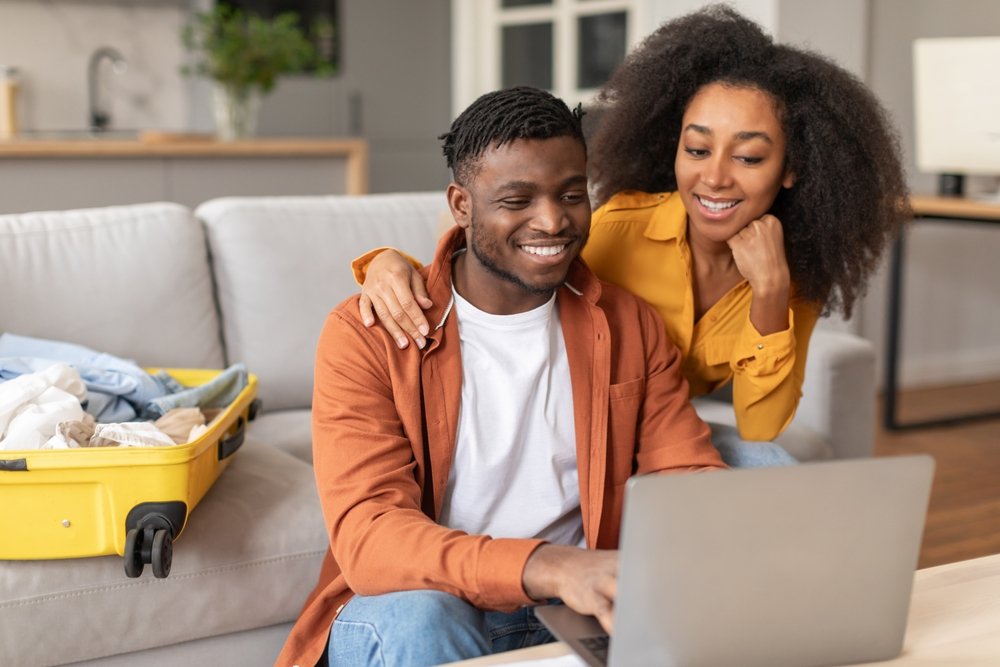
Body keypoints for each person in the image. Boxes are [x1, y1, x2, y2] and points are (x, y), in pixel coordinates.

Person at [277, 86, 725, 667]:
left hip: (573, 610)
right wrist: (550, 565)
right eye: (517, 200)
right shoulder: (367, 333)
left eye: (571, 194)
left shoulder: (627, 323)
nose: (553, 220)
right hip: (429, 603)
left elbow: (683, 469)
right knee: (425, 617)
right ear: (461, 205)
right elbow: (371, 536)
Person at [352, 5, 910, 466]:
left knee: (774, 467)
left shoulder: (791, 275)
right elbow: (499, 260)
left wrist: (769, 293)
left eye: (748, 156)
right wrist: (388, 262)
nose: (714, 176)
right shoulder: (618, 229)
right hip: (579, 424)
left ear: (790, 168)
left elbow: (760, 424)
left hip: (663, 432)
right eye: (696, 149)